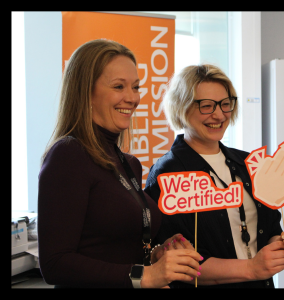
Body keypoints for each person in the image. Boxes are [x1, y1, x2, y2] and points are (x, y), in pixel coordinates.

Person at [38, 39, 202, 288]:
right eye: (118, 86)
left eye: (136, 87)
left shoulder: (129, 164)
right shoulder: (69, 155)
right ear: (86, 92)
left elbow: (116, 253)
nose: (132, 98)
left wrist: (157, 255)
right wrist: (146, 276)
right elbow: (55, 264)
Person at [144, 64, 284, 288]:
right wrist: (253, 268)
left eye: (225, 104)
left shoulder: (249, 164)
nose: (219, 114)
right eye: (206, 106)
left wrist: (278, 247)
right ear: (181, 108)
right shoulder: (168, 174)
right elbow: (182, 263)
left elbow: (271, 229)